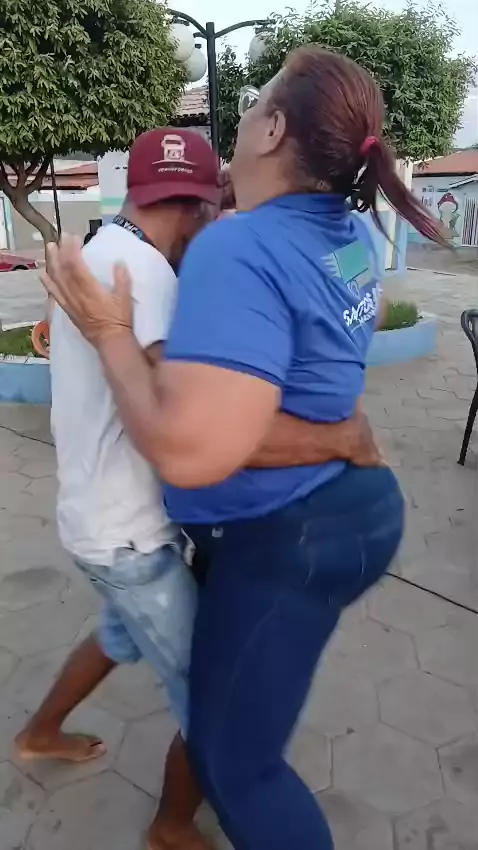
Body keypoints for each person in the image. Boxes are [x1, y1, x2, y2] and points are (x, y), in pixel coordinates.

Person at [40, 47, 449, 850]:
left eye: (254, 104)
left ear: (271, 129)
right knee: (189, 678)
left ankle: (171, 818)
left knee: (238, 761)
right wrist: (335, 422)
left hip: (281, 533)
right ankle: (164, 817)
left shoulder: (234, 250)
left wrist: (110, 331)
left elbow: (192, 453)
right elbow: (342, 321)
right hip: (358, 516)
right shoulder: (352, 234)